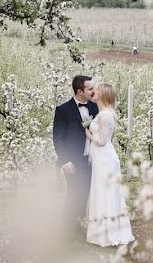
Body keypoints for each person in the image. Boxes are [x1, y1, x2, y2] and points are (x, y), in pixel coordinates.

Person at [83, 83, 135, 247]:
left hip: (105, 158)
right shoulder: (103, 113)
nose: (94, 92)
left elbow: (103, 141)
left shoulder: (105, 115)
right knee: (102, 191)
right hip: (101, 159)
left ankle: (109, 233)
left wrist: (89, 134)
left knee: (106, 192)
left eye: (97, 90)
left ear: (104, 94)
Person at [52, 75, 98, 230]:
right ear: (80, 91)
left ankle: (80, 225)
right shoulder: (63, 110)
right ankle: (67, 228)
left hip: (92, 159)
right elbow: (58, 138)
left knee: (86, 193)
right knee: (74, 194)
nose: (94, 91)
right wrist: (64, 161)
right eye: (90, 88)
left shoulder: (94, 107)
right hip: (73, 161)